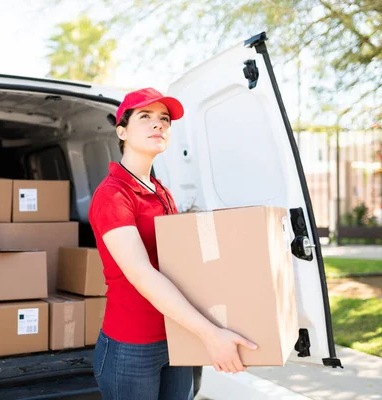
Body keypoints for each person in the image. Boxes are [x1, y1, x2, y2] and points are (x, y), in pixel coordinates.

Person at [88, 87, 258, 399]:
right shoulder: (112, 196)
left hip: (178, 334)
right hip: (132, 347)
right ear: (122, 130)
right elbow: (142, 273)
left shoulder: (160, 190)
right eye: (146, 117)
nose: (159, 124)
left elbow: (178, 261)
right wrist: (211, 333)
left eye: (164, 119)